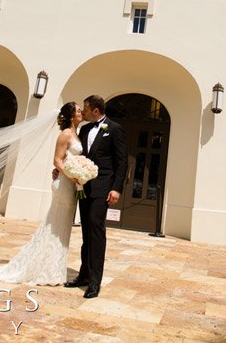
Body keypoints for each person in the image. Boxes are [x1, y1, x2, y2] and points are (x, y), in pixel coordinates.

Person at [0, 102, 83, 285]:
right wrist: (72, 175)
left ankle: (53, 268)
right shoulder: (65, 135)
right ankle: (47, 270)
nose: (81, 113)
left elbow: (70, 159)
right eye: (78, 111)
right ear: (71, 116)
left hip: (70, 185)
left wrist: (78, 173)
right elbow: (57, 161)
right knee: (56, 224)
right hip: (64, 184)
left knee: (61, 226)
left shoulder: (76, 134)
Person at [63, 95, 127, 299]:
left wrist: (116, 188)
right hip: (84, 187)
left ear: (96, 111)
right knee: (86, 233)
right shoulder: (85, 129)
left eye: (86, 109)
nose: (83, 112)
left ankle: (95, 282)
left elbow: (122, 162)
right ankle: (84, 275)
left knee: (96, 231)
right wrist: (64, 170)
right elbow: (79, 157)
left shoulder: (114, 129)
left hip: (103, 189)